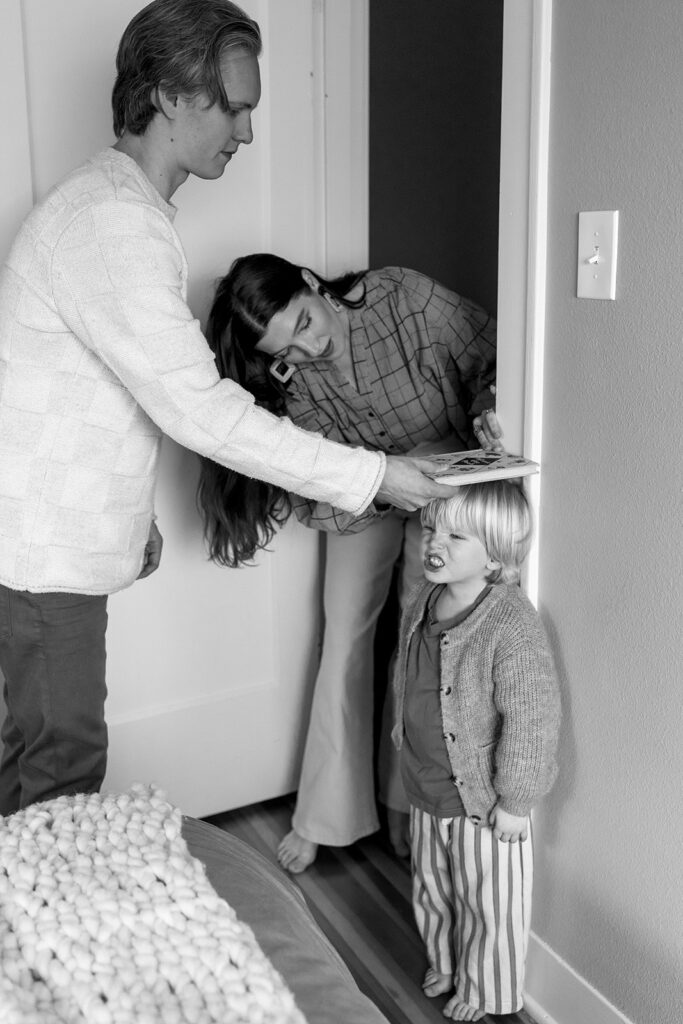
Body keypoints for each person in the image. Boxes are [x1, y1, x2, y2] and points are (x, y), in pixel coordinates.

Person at [0, 0, 459, 817]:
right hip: (44, 564)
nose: (245, 133)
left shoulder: (115, 210)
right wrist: (377, 475)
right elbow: (199, 410)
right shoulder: (111, 222)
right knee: (59, 785)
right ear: (173, 98)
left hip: (48, 548)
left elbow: (90, 390)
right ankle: (47, 944)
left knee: (29, 770)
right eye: (235, 107)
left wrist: (122, 521)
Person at [196, 252, 501, 872]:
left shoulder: (405, 299)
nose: (308, 349)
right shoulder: (291, 376)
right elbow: (316, 481)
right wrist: (377, 481)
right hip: (358, 492)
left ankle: (402, 803)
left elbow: (488, 356)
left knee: (422, 644)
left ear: (312, 284)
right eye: (289, 349)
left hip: (443, 484)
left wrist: (488, 412)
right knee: (344, 640)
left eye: (305, 323)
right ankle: (325, 814)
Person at [391, 481, 561, 1021]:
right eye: (430, 529)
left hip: (484, 803)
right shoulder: (424, 595)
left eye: (455, 535)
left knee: (490, 901)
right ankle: (444, 959)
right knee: (433, 887)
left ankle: (487, 989)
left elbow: (533, 720)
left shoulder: (510, 624)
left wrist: (516, 800)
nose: (434, 543)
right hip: (425, 782)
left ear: (496, 555)